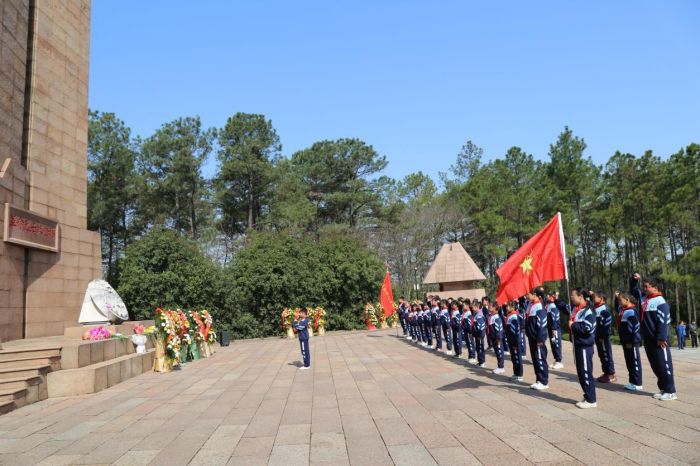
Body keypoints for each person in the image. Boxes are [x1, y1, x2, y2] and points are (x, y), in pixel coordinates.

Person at [632, 274, 677, 401]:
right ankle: (663, 389)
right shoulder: (645, 299)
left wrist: (662, 338)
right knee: (655, 366)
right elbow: (633, 293)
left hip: (659, 340)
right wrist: (634, 281)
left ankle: (671, 391)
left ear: (655, 287)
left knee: (664, 365)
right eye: (643, 286)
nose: (644, 289)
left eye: (646, 287)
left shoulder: (660, 301)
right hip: (648, 339)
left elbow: (664, 321)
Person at [570, 287, 597, 408]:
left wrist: (574, 325)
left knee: (586, 372)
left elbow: (588, 328)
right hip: (578, 345)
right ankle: (587, 395)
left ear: (580, 296)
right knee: (581, 373)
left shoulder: (587, 311)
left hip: (585, 346)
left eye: (573, 296)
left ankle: (591, 400)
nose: (571, 298)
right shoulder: (577, 309)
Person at [617, 292, 643, 391]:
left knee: (634, 361)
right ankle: (632, 381)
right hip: (625, 341)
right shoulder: (624, 310)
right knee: (629, 362)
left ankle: (637, 383)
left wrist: (631, 340)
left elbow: (634, 327)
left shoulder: (632, 311)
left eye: (620, 300)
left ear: (627, 300)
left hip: (631, 341)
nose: (619, 302)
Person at [525, 289, 549, 390]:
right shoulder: (530, 304)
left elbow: (542, 324)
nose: (526, 296)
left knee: (540, 359)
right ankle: (539, 379)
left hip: (538, 338)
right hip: (532, 337)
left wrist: (540, 338)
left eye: (528, 294)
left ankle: (544, 381)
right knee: (535, 359)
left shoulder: (539, 306)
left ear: (534, 294)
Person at [592, 291, 617, 383]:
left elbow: (606, 324)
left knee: (606, 354)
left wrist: (602, 335)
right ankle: (606, 372)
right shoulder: (596, 308)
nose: (593, 299)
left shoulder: (605, 308)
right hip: (598, 336)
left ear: (601, 298)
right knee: (601, 354)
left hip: (603, 336)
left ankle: (611, 374)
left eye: (595, 297)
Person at [505, 301, 524, 381]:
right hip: (511, 341)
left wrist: (515, 342)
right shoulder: (509, 316)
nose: (507, 307)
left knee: (517, 357)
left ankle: (519, 375)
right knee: (513, 357)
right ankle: (516, 373)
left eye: (508, 306)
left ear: (513, 307)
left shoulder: (514, 316)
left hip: (515, 341)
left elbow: (515, 331)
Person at [545, 291, 564, 369]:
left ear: (552, 297)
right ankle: (556, 360)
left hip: (554, 329)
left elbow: (555, 318)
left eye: (548, 295)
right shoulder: (548, 305)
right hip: (550, 328)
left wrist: (554, 329)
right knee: (553, 344)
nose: (547, 297)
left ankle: (559, 361)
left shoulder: (553, 306)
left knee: (556, 344)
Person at [488, 305, 506, 374]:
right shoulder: (491, 316)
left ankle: (501, 367)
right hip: (493, 338)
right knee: (497, 352)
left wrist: (499, 338)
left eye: (491, 306)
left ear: (495, 308)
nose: (490, 307)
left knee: (499, 352)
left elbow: (499, 329)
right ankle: (499, 366)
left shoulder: (496, 317)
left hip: (497, 339)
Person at [471, 300, 487, 367]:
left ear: (477, 307)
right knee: (478, 348)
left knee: (480, 348)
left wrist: (480, 335)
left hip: (479, 335)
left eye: (473, 306)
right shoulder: (476, 314)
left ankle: (482, 362)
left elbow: (482, 327)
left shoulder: (479, 316)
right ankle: (480, 361)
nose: (472, 308)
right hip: (477, 335)